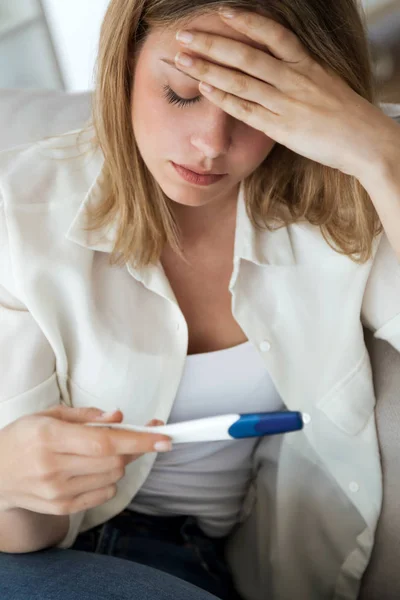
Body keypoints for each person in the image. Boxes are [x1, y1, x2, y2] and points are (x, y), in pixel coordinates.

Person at [0, 0, 399, 599]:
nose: (212, 143)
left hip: (195, 563)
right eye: (183, 94)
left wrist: (382, 153)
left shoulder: (354, 185)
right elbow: (25, 533)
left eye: (256, 102)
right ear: (125, 65)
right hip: (47, 553)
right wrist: (10, 481)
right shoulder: (23, 209)